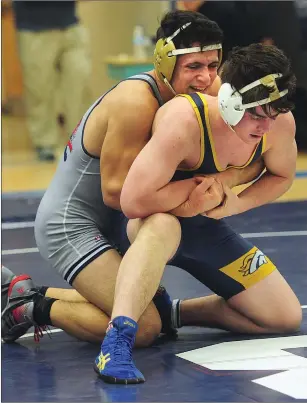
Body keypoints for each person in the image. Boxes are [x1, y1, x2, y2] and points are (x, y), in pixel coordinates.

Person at [1, 11, 263, 381]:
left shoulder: (207, 90)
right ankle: (28, 306)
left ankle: (34, 294)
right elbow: (115, 194)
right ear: (163, 61)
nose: (205, 77)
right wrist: (195, 189)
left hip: (120, 221)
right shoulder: (137, 102)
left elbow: (258, 154)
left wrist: (226, 177)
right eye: (192, 67)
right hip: (74, 225)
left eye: (212, 65)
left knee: (150, 305)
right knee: (143, 328)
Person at [92, 43, 302, 383]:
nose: (265, 127)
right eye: (257, 116)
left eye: (273, 115)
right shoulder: (185, 119)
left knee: (283, 316)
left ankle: (174, 314)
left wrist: (237, 202)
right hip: (147, 224)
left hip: (204, 226)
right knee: (162, 226)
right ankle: (116, 342)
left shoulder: (278, 124)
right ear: (231, 101)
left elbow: (283, 176)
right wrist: (190, 200)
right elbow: (132, 201)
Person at [12, 0, 91, 161]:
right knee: (39, 89)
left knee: (79, 80)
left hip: (71, 23)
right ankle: (45, 144)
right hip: (34, 27)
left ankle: (81, 140)